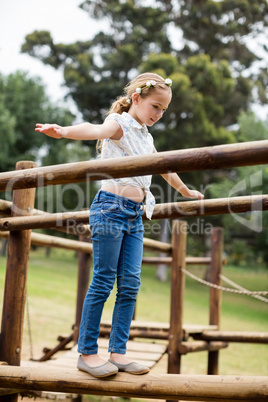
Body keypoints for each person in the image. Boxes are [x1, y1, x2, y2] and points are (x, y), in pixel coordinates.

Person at [35, 72, 204, 378]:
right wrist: (64, 131)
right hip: (110, 209)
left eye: (163, 110)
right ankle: (87, 353)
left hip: (135, 215)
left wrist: (186, 192)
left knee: (130, 284)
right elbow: (94, 128)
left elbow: (164, 166)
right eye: (155, 106)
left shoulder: (147, 137)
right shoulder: (121, 124)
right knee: (103, 280)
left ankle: (118, 351)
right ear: (136, 99)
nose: (159, 114)